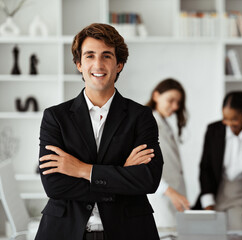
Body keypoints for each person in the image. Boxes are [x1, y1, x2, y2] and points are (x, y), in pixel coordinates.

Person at [35, 23, 163, 240]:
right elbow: (54, 185)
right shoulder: (55, 117)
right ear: (78, 64)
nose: (98, 64)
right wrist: (121, 173)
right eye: (89, 55)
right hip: (65, 232)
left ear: (119, 64)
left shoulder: (140, 116)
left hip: (129, 232)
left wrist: (82, 170)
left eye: (106, 56)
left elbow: (148, 179)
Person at [194, 91, 242, 231]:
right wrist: (208, 204)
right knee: (210, 233)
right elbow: (205, 167)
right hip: (217, 190)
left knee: (239, 232)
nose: (229, 124)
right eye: (225, 119)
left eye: (234, 119)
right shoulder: (213, 130)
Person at [146, 78, 190, 228]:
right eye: (171, 100)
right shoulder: (147, 124)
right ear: (156, 96)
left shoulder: (163, 124)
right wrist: (169, 191)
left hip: (173, 200)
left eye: (178, 102)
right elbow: (144, 167)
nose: (175, 106)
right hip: (160, 201)